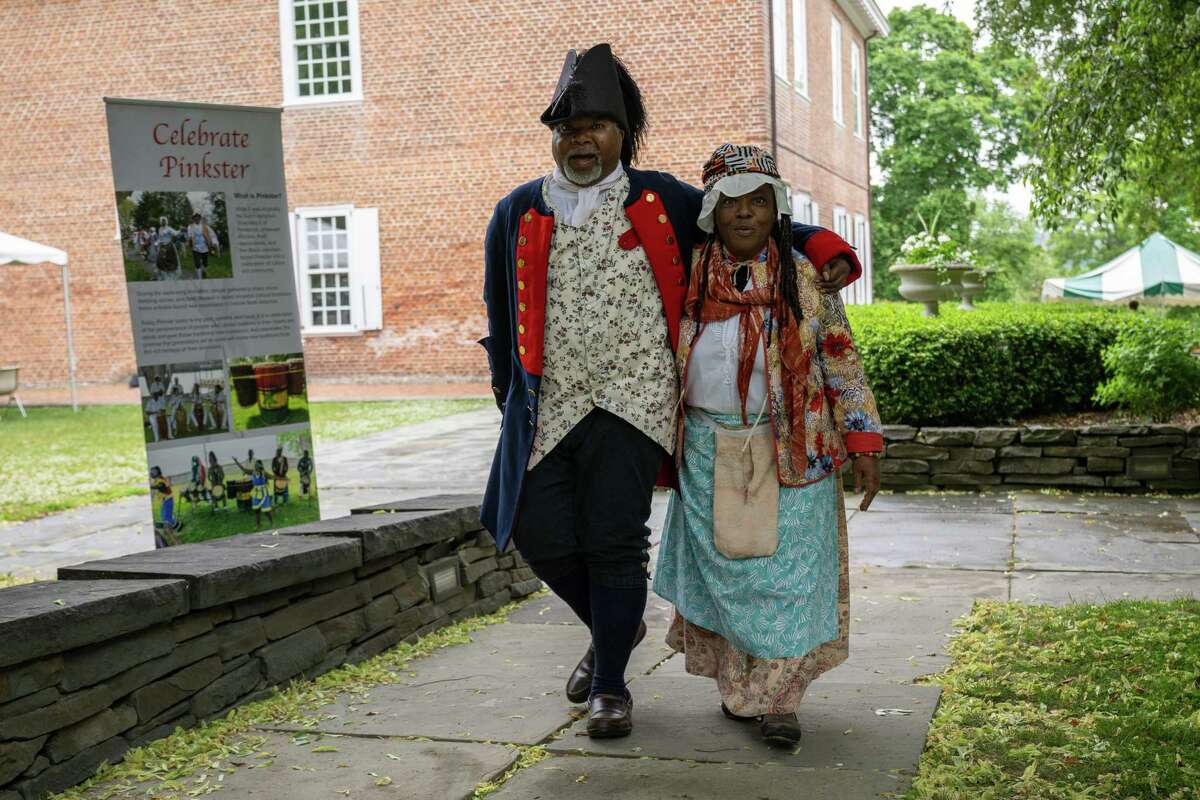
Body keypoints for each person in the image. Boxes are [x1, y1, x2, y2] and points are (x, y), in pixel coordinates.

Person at [479, 44, 863, 739]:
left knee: (614, 540)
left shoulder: (662, 199)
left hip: (636, 400)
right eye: (567, 128)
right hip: (549, 406)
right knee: (532, 530)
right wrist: (510, 396)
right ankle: (613, 630)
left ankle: (610, 688)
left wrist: (821, 243)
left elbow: (747, 218)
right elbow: (501, 322)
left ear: (623, 133)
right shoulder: (515, 213)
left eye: (596, 125)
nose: (581, 140)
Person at [654, 145, 883, 746]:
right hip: (706, 450)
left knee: (785, 580)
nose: (746, 214)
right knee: (730, 576)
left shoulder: (804, 277)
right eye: (733, 202)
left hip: (795, 450)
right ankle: (741, 686)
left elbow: (839, 357)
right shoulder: (688, 273)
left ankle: (780, 701)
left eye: (760, 201)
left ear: (777, 209)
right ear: (712, 212)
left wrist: (865, 440)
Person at [150, 466, 182, 546]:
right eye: (151, 471)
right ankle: (176, 524)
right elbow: (156, 491)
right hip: (165, 502)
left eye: (153, 471)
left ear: (157, 472)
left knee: (167, 526)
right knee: (164, 519)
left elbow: (161, 487)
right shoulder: (157, 480)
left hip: (167, 501)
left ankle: (177, 542)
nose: (151, 473)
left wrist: (153, 487)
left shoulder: (161, 480)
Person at [250, 459, 274, 529]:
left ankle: (272, 523)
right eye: (255, 465)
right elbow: (244, 469)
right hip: (256, 494)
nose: (256, 466)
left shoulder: (264, 473)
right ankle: (258, 524)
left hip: (264, 494)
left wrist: (284, 479)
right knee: (257, 511)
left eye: (257, 465)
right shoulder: (253, 473)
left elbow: (273, 477)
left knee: (267, 511)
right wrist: (236, 461)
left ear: (260, 466)